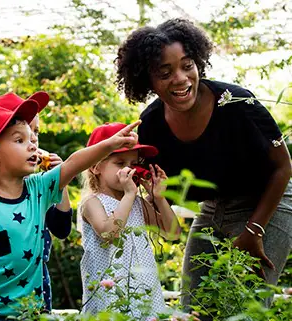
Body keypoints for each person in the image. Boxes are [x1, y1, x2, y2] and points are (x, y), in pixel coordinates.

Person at [115, 18, 292, 318]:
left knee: (241, 309)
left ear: (198, 62)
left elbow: (284, 166)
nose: (181, 78)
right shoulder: (152, 125)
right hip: (213, 208)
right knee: (194, 311)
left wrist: (254, 230)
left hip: (269, 204)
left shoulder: (236, 104)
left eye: (187, 65)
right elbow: (158, 194)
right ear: (149, 80)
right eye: (165, 72)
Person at [0, 92, 141, 320]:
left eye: (32, 138)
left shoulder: (39, 187)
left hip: (28, 310)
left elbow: (75, 163)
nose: (32, 146)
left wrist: (110, 144)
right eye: (20, 140)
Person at [0, 91, 72, 311]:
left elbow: (61, 229)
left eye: (35, 132)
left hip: (35, 278)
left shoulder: (39, 181)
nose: (33, 139)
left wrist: (61, 180)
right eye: (21, 137)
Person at [79, 123, 180, 318]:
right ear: (95, 167)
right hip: (110, 298)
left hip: (144, 294)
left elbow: (172, 232)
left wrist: (159, 198)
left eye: (133, 164)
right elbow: (109, 233)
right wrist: (129, 195)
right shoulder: (92, 203)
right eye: (120, 163)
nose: (129, 170)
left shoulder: (136, 202)